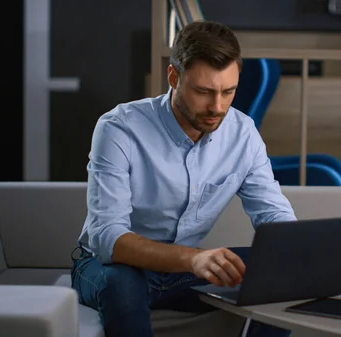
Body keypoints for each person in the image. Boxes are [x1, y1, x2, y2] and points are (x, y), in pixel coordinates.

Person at [70, 20, 297, 337]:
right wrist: (193, 259)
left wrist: (297, 251)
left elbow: (272, 212)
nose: (217, 107)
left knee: (280, 272)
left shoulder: (242, 133)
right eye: (204, 92)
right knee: (121, 284)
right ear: (174, 77)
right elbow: (108, 237)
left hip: (183, 274)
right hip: (108, 268)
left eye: (228, 92)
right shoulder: (119, 128)